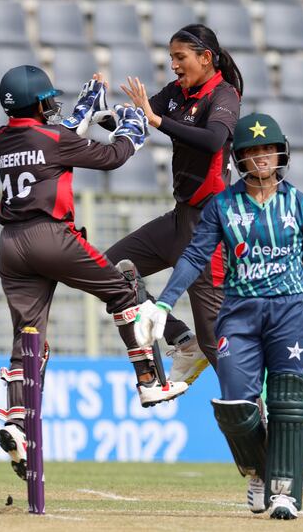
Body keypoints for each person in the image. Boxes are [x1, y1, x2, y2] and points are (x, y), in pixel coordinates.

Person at [134, 113, 303, 520]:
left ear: (280, 152)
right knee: (235, 406)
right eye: (252, 152)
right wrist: (164, 303)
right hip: (238, 315)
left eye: (267, 150)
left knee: (288, 404)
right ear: (239, 157)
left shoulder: (300, 205)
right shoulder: (222, 205)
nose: (261, 158)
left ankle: (285, 492)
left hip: (289, 313)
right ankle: (260, 471)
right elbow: (195, 256)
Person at [0, 65, 187, 480]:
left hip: (11, 246)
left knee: (28, 336)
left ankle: (16, 422)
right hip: (51, 236)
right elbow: (115, 155)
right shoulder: (55, 138)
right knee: (125, 289)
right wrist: (132, 121)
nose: (51, 105)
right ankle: (151, 381)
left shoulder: (3, 138)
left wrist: (87, 103)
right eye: (47, 99)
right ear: (36, 103)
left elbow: (62, 134)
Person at [104, 24, 243, 385]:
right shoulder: (179, 93)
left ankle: (252, 411)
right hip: (180, 219)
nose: (175, 66)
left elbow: (213, 140)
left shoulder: (223, 95)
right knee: (110, 269)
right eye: (172, 59)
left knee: (215, 340)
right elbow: (142, 115)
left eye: (180, 58)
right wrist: (103, 116)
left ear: (206, 58)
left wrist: (158, 120)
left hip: (208, 226)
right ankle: (181, 338)